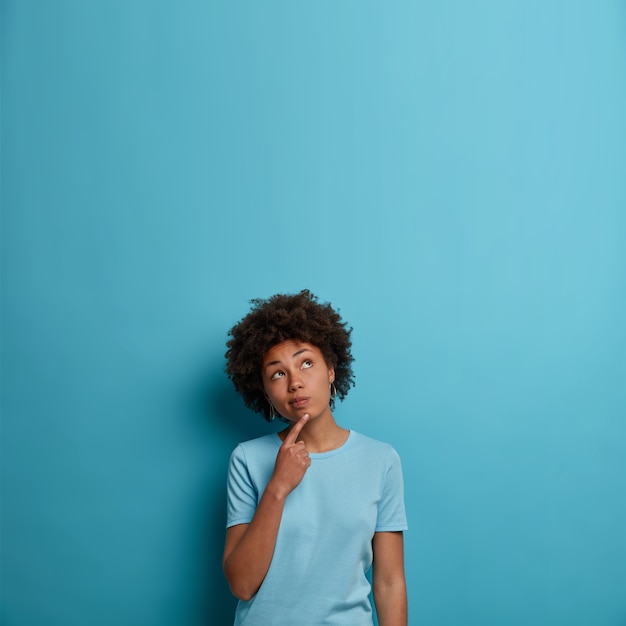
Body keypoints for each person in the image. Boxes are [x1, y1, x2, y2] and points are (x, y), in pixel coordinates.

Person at [223, 290, 408, 626]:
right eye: (277, 373)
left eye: (306, 363)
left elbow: (389, 582)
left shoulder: (380, 460)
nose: (295, 382)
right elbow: (242, 584)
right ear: (265, 392)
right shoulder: (247, 459)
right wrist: (278, 486)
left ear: (331, 371)